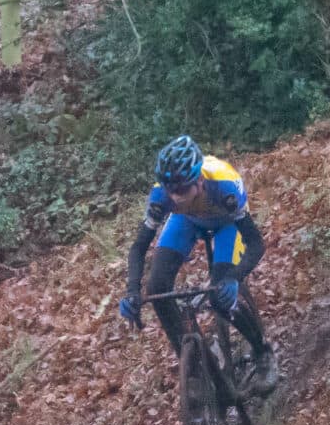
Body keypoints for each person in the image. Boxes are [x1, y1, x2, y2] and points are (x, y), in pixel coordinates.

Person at [119, 135, 280, 391]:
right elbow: (139, 247)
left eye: (182, 190)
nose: (176, 197)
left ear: (200, 181)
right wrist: (131, 290)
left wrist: (234, 278)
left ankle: (263, 353)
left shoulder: (224, 186)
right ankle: (194, 370)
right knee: (156, 287)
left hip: (227, 223)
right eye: (171, 190)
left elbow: (256, 244)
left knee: (220, 295)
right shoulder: (162, 195)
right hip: (187, 221)